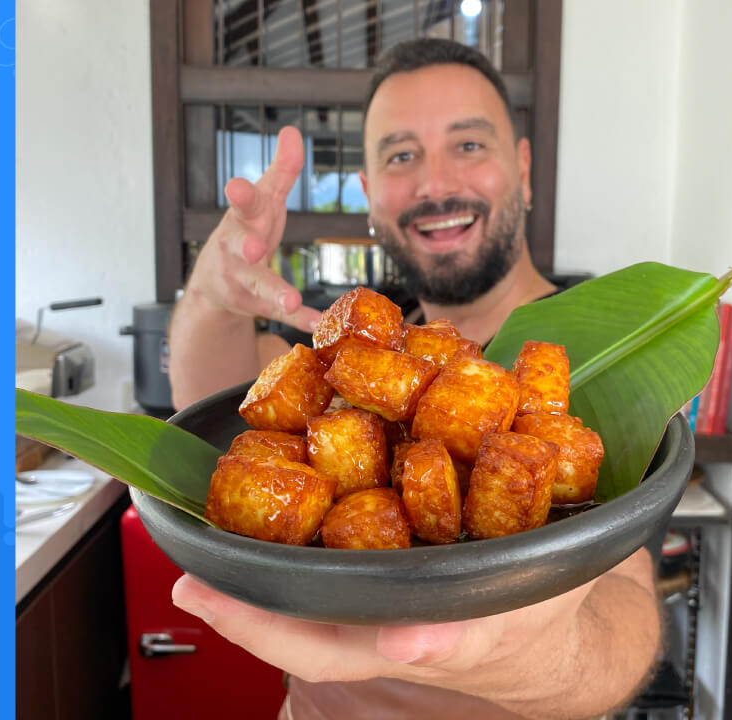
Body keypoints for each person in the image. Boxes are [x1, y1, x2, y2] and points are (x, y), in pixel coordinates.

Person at [167, 39, 663, 720]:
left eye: (467, 145)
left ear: (521, 167)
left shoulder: (592, 358)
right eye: (402, 156)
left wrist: (533, 669)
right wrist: (210, 293)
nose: (434, 184)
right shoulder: (359, 341)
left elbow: (630, 609)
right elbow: (211, 400)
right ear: (369, 191)